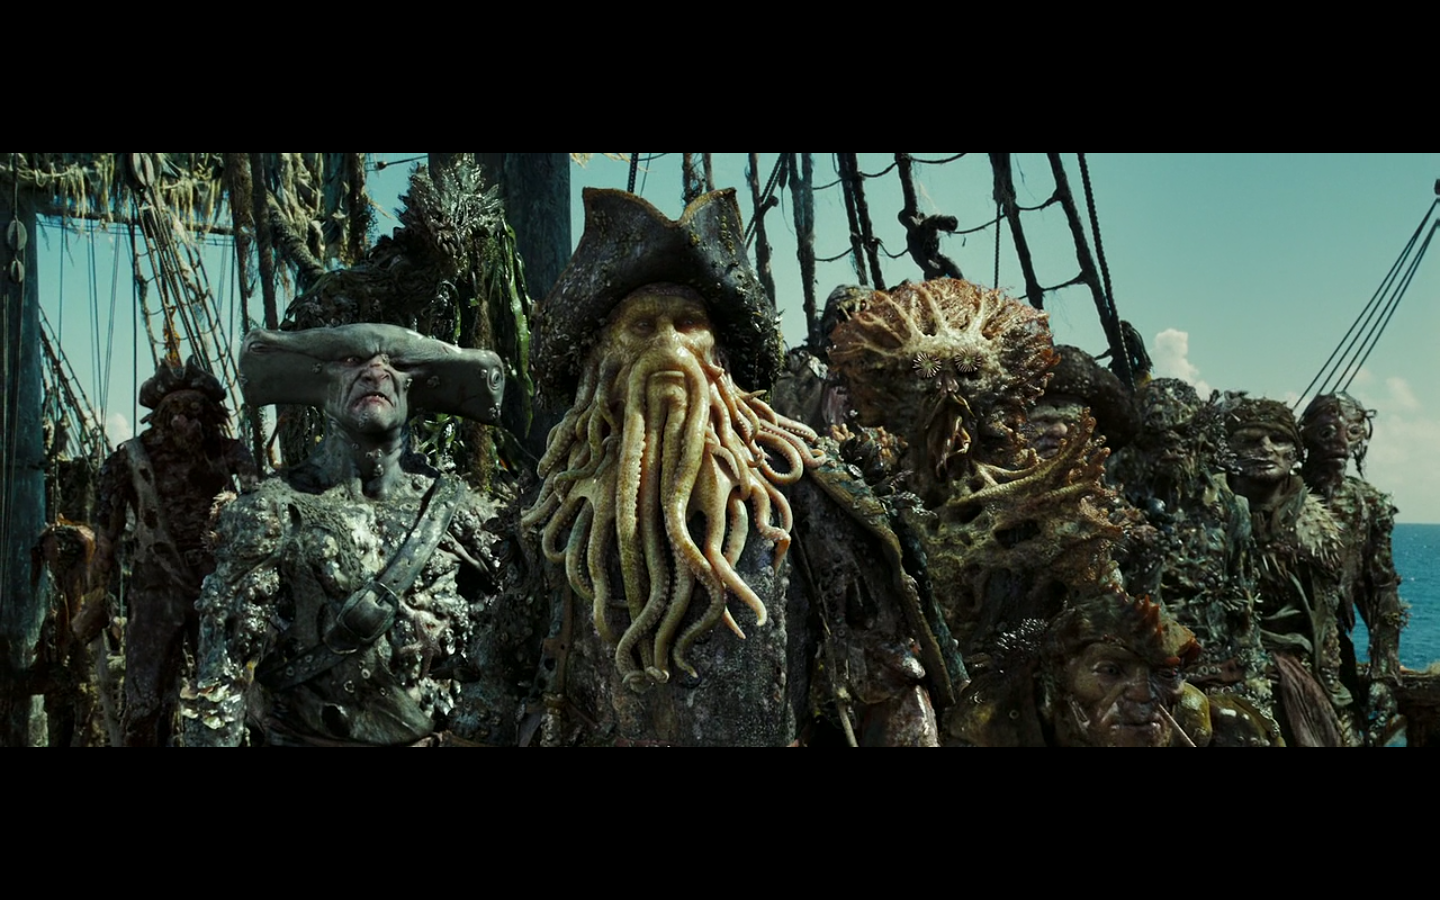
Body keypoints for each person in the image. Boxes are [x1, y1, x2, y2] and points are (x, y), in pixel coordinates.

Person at [519, 189, 956, 745]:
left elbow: (886, 675)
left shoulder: (799, 490)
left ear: (718, 354)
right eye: (643, 326)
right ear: (603, 358)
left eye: (687, 322)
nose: (669, 343)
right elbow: (504, 679)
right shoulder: (556, 511)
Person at [183, 324, 525, 746]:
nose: (376, 372)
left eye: (395, 364)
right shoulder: (270, 513)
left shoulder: (465, 515)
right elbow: (220, 683)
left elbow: (513, 650)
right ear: (323, 380)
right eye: (352, 361)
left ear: (413, 386)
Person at [83, 357, 255, 746]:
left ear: (208, 415)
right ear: (159, 417)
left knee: (225, 693)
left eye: (193, 410)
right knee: (145, 701)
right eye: (173, 411)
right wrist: (97, 594)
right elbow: (106, 537)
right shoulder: (130, 459)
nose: (182, 420)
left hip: (218, 588)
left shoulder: (229, 453)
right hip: (155, 589)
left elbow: (260, 513)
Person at [1223, 397, 1350, 745]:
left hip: (1295, 676)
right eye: (1251, 441)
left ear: (1295, 453)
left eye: (1278, 440)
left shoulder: (1316, 532)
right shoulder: (1206, 516)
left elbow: (1325, 625)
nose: (1266, 449)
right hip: (1217, 673)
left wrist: (1329, 691)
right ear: (1228, 452)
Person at [1300, 392, 1405, 745]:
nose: (1341, 442)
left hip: (1333, 656)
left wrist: (1383, 674)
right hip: (1275, 650)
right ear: (1307, 435)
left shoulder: (1369, 504)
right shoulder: (1279, 494)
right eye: (1327, 432)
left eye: (1353, 431)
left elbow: (1383, 591)